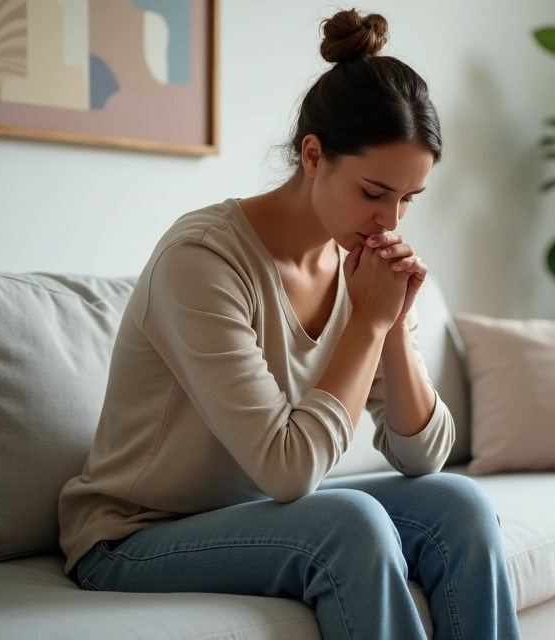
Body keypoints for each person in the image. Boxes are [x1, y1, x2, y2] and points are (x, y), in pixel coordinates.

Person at [57, 9, 520, 639]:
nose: (391, 223)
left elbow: (423, 457)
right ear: (313, 155)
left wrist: (393, 324)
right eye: (374, 192)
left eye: (407, 200)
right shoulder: (203, 259)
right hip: (133, 538)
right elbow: (288, 469)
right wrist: (366, 325)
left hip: (269, 518)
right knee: (350, 524)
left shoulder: (357, 263)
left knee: (460, 507)